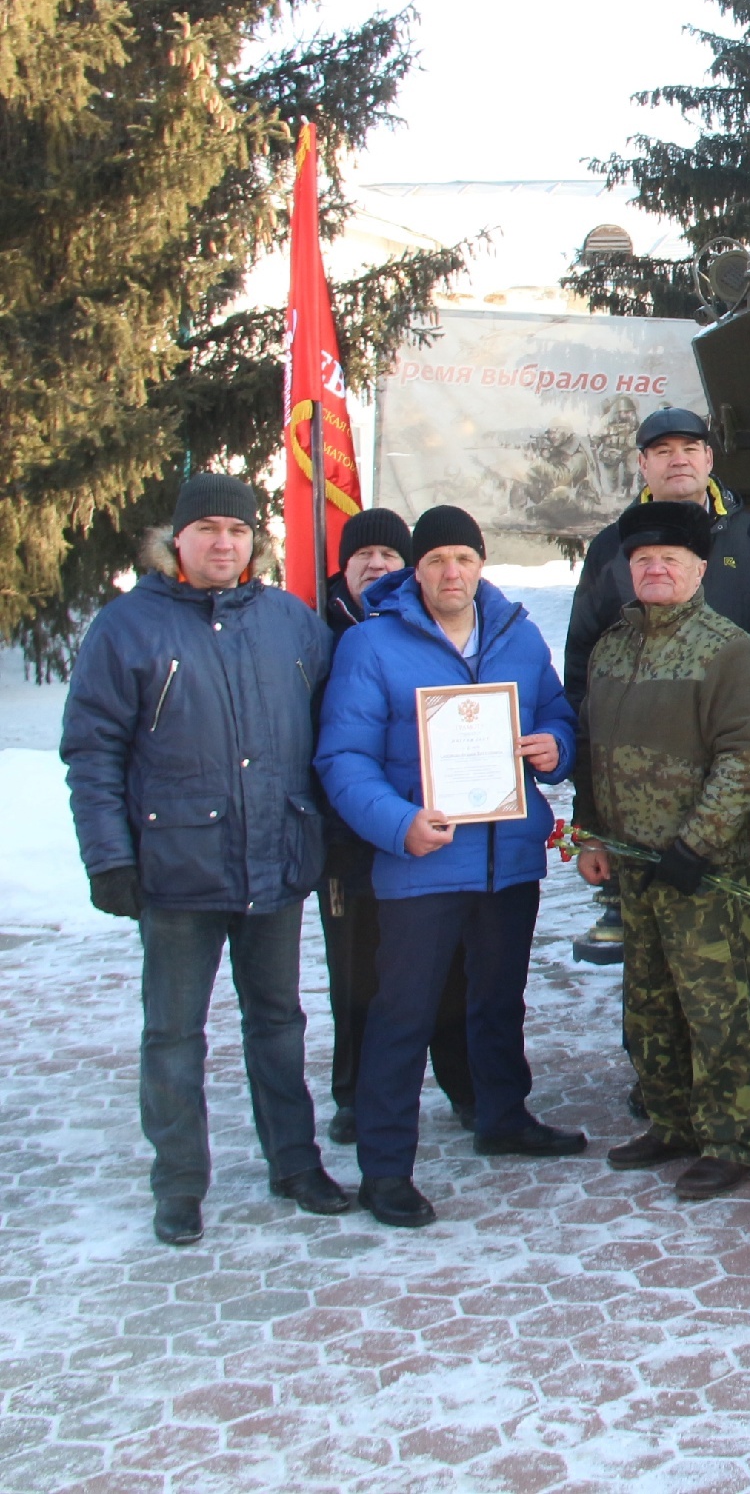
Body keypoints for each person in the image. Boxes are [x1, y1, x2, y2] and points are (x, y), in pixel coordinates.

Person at [61, 472, 350, 1245]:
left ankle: (294, 1162)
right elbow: (92, 752)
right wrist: (107, 858)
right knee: (174, 1032)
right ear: (176, 541)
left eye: (238, 530)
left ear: (256, 541)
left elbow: (335, 732)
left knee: (279, 1022)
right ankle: (180, 1182)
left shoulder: (291, 623)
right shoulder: (127, 627)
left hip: (276, 859)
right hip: (176, 867)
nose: (224, 543)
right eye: (208, 530)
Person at [315, 506, 587, 1228]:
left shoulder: (517, 637)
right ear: (416, 570)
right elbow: (342, 760)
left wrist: (555, 749)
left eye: (464, 558)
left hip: (506, 862)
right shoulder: (372, 646)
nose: (451, 573)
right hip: (422, 863)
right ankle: (384, 1168)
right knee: (403, 1014)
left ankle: (502, 1114)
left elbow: (560, 716)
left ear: (480, 564)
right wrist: (399, 823)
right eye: (436, 560)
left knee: (497, 999)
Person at [574, 501, 750, 1202]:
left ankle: (732, 1138)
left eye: (670, 559)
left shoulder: (728, 650)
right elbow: (591, 751)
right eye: (643, 561)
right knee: (648, 1002)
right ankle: (671, 1121)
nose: (655, 569)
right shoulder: (611, 647)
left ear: (697, 569)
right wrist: (592, 834)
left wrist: (696, 843)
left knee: (714, 1005)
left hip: (701, 869)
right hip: (631, 862)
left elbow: (745, 759)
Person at [564, 406, 750, 961]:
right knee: (648, 980)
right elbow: (582, 671)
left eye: (689, 448)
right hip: (639, 820)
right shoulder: (613, 549)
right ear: (643, 465)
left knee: (738, 962)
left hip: (732, 808)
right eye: (662, 451)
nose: (677, 459)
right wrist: (590, 814)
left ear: (709, 458)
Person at [314, 507, 474, 1147]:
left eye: (388, 558)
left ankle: (465, 1088)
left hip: (427, 838)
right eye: (363, 559)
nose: (377, 567)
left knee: (442, 974)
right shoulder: (318, 629)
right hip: (348, 839)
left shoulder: (430, 622)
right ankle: (356, 1096)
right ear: (343, 568)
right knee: (359, 975)